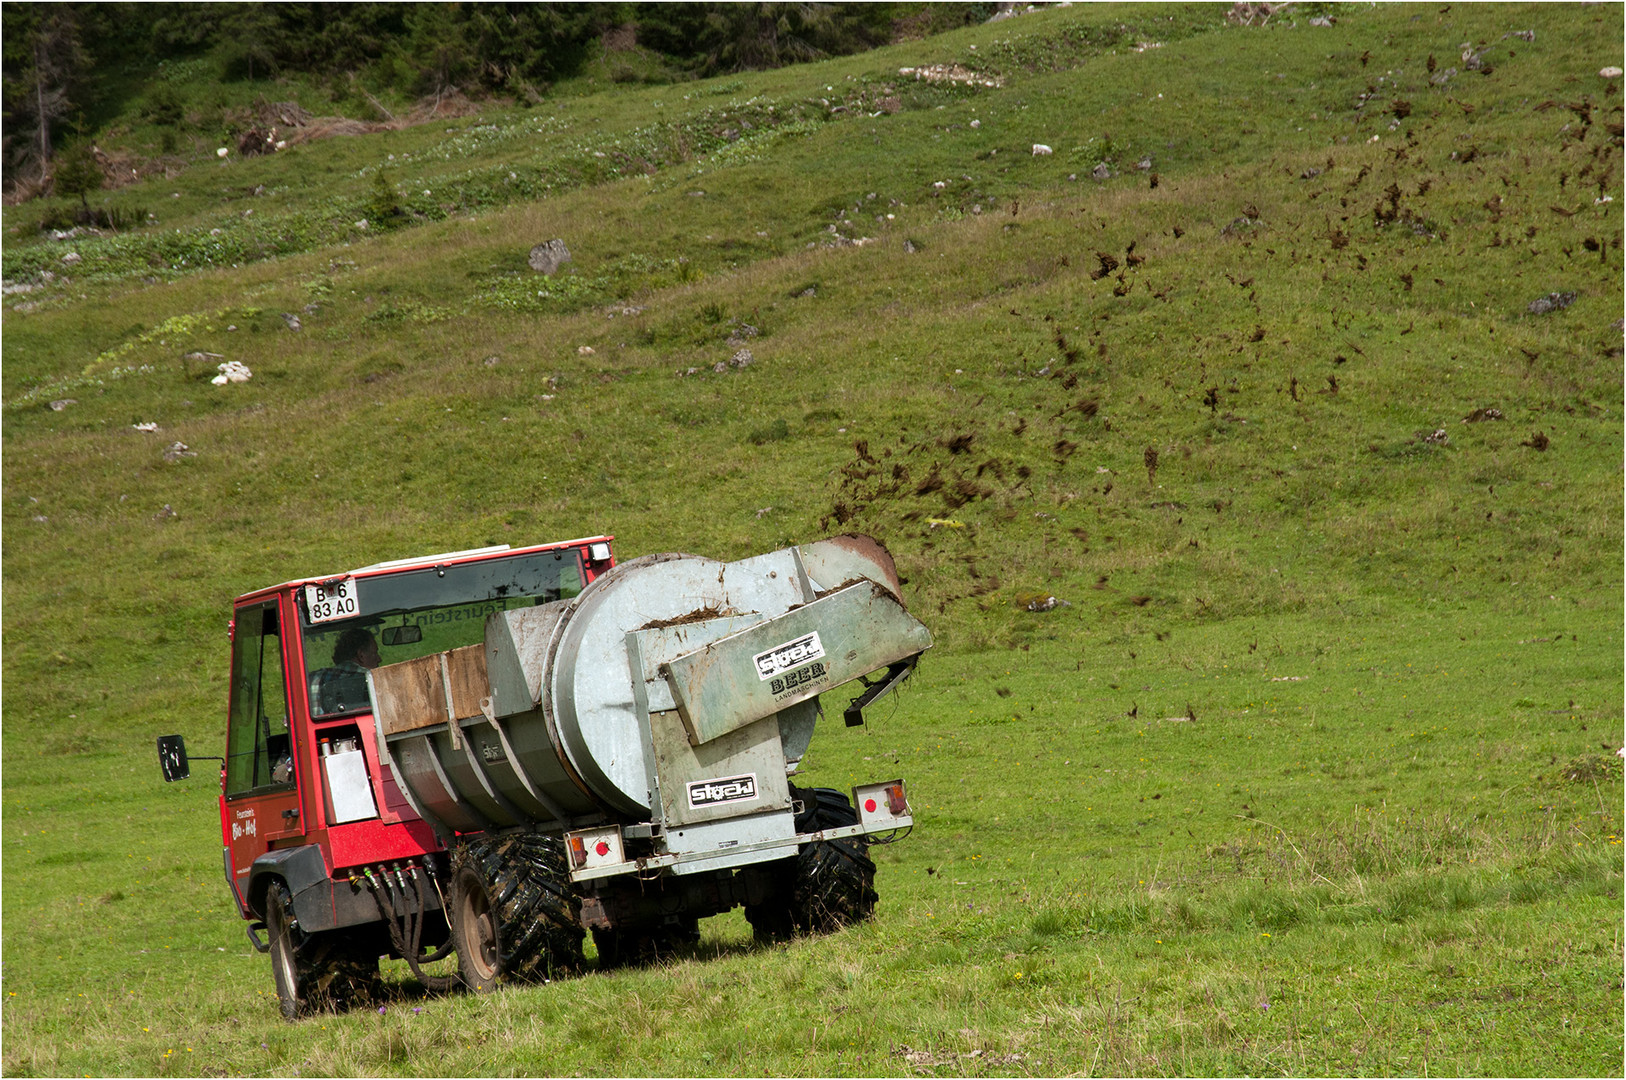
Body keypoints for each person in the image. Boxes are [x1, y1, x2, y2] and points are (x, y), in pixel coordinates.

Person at [310, 628, 380, 716]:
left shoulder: (312, 679)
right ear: (361, 655)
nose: (379, 659)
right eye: (375, 653)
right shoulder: (374, 680)